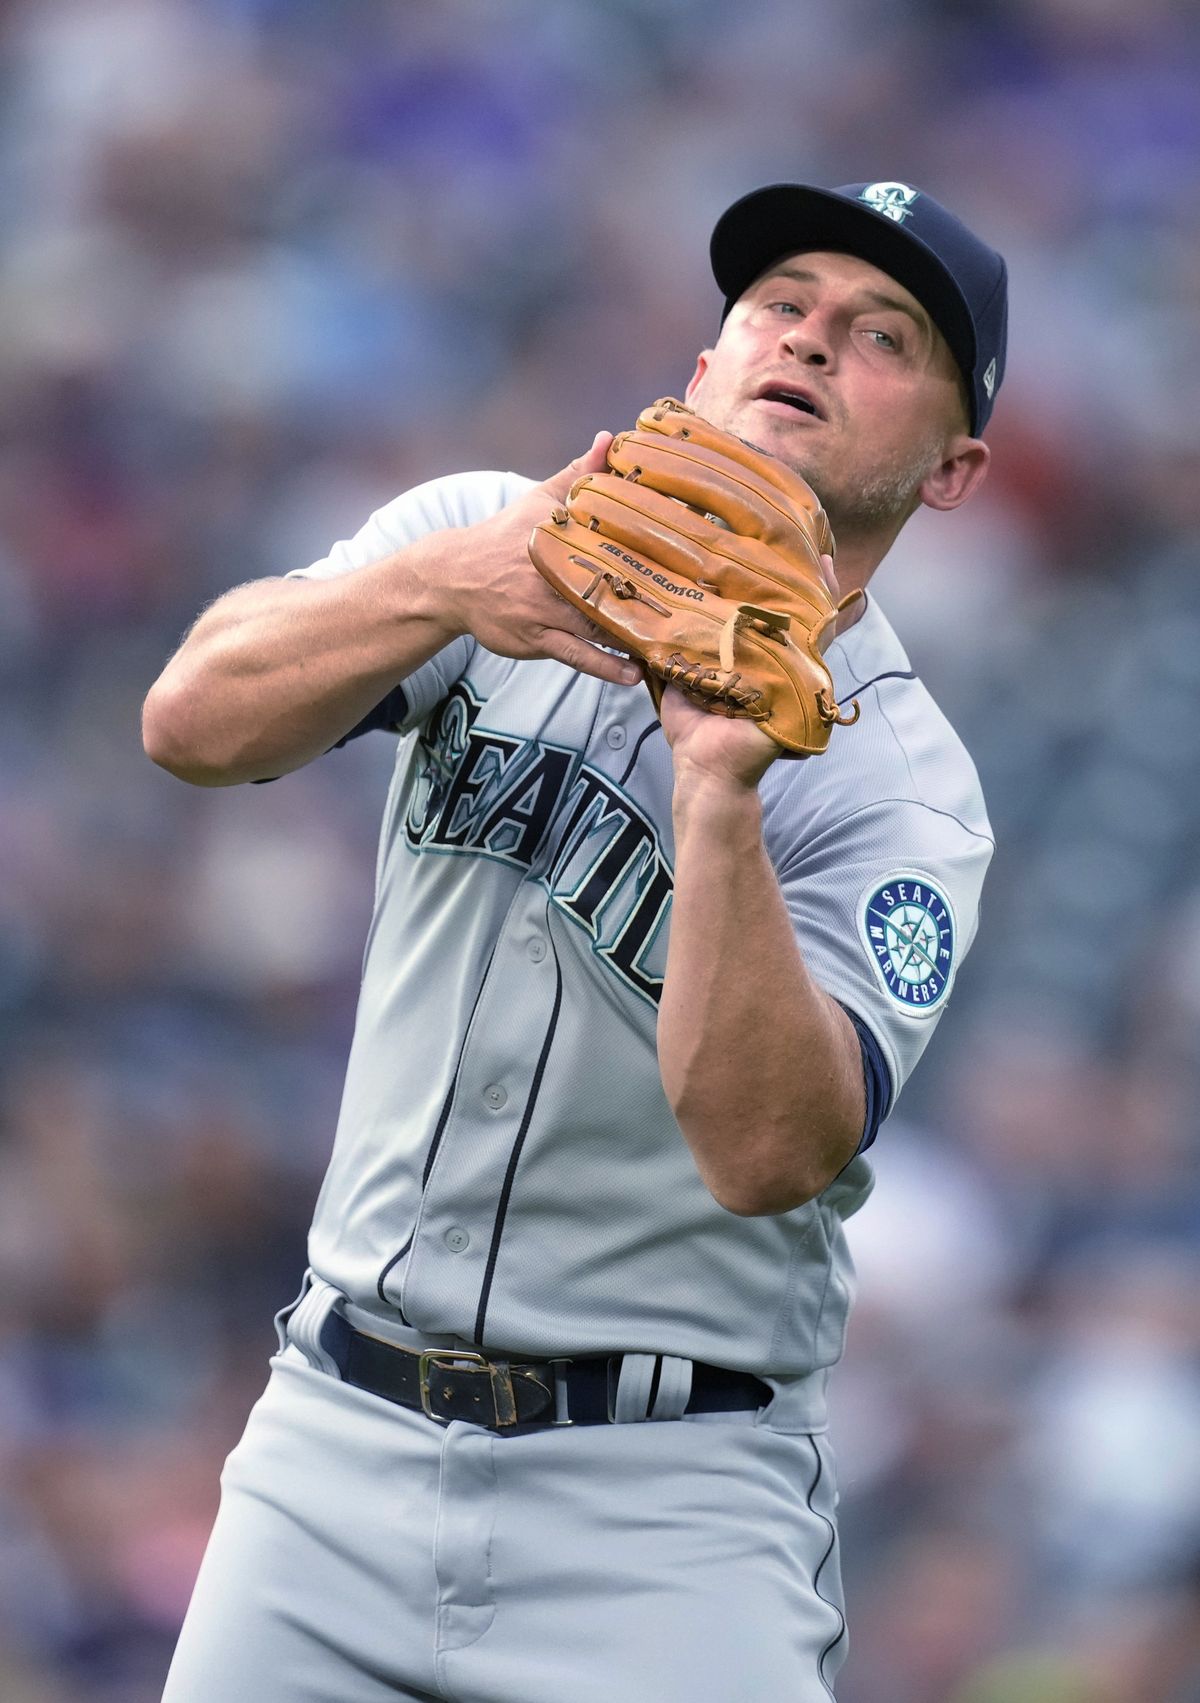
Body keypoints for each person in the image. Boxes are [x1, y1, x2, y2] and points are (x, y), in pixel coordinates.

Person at [143, 178, 1007, 1702]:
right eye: (781, 306)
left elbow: (765, 1153)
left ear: (954, 467)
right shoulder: (483, 534)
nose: (809, 341)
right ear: (706, 365)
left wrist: (721, 803)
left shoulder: (904, 788)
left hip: (665, 1507)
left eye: (882, 336)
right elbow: (191, 726)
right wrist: (437, 585)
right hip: (331, 1443)